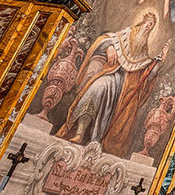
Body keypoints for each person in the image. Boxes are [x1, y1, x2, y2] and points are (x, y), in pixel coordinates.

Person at [59, 12, 168, 156]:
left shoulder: (143, 52)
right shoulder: (125, 35)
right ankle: (80, 132)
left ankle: (96, 139)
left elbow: (148, 75)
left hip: (125, 86)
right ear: (142, 22)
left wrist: (160, 62)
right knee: (97, 88)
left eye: (152, 26)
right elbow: (104, 39)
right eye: (148, 23)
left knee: (119, 106)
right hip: (110, 74)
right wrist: (109, 46)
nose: (148, 27)